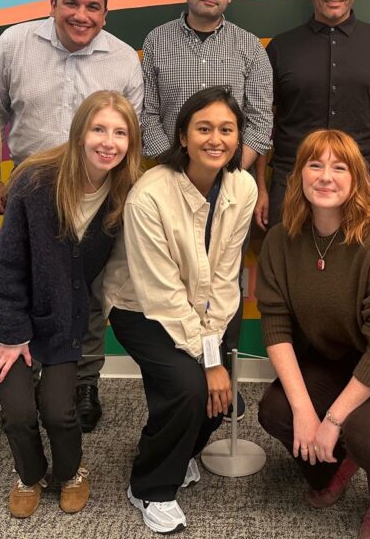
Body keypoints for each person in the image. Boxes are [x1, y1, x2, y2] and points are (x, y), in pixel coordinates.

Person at [256, 129, 370, 539]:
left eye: (339, 167)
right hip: (340, 360)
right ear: (299, 175)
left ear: (356, 179)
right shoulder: (279, 241)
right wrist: (306, 411)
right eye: (315, 164)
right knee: (277, 411)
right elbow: (275, 324)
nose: (326, 176)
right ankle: (340, 464)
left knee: (367, 432)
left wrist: (335, 418)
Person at [0, 0, 144, 433]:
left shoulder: (122, 60)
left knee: (88, 294)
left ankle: (83, 380)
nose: (81, 14)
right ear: (51, 4)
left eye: (93, 6)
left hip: (97, 196)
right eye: (70, 3)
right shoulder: (14, 44)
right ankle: (22, 374)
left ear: (106, 14)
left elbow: (129, 133)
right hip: (31, 192)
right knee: (22, 282)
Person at [104, 86, 257, 534]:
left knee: (220, 394)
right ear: (183, 136)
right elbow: (160, 293)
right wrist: (208, 358)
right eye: (203, 128)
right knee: (190, 386)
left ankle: (182, 451)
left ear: (238, 138)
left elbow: (227, 274)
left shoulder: (242, 186)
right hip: (140, 308)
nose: (216, 139)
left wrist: (214, 346)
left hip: (210, 304)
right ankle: (150, 486)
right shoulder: (149, 195)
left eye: (226, 130)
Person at [0, 91, 141, 518]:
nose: (108, 142)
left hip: (66, 318)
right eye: (98, 129)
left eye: (120, 132)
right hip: (13, 312)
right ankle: (30, 475)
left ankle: (71, 472)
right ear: (79, 132)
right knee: (17, 412)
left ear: (131, 141)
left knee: (59, 410)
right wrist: (13, 337)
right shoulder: (35, 181)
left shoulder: (126, 192)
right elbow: (5, 267)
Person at [140, 0, 273, 414]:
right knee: (176, 281)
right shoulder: (156, 41)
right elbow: (148, 112)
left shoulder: (249, 48)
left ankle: (223, 379)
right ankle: (182, 384)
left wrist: (227, 167)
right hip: (169, 181)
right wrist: (176, 165)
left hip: (228, 186)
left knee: (223, 282)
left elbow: (259, 120)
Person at [255, 0, 370, 229]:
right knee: (290, 270)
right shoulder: (280, 48)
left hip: (364, 182)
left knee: (359, 270)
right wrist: (261, 187)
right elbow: (263, 123)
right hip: (292, 184)